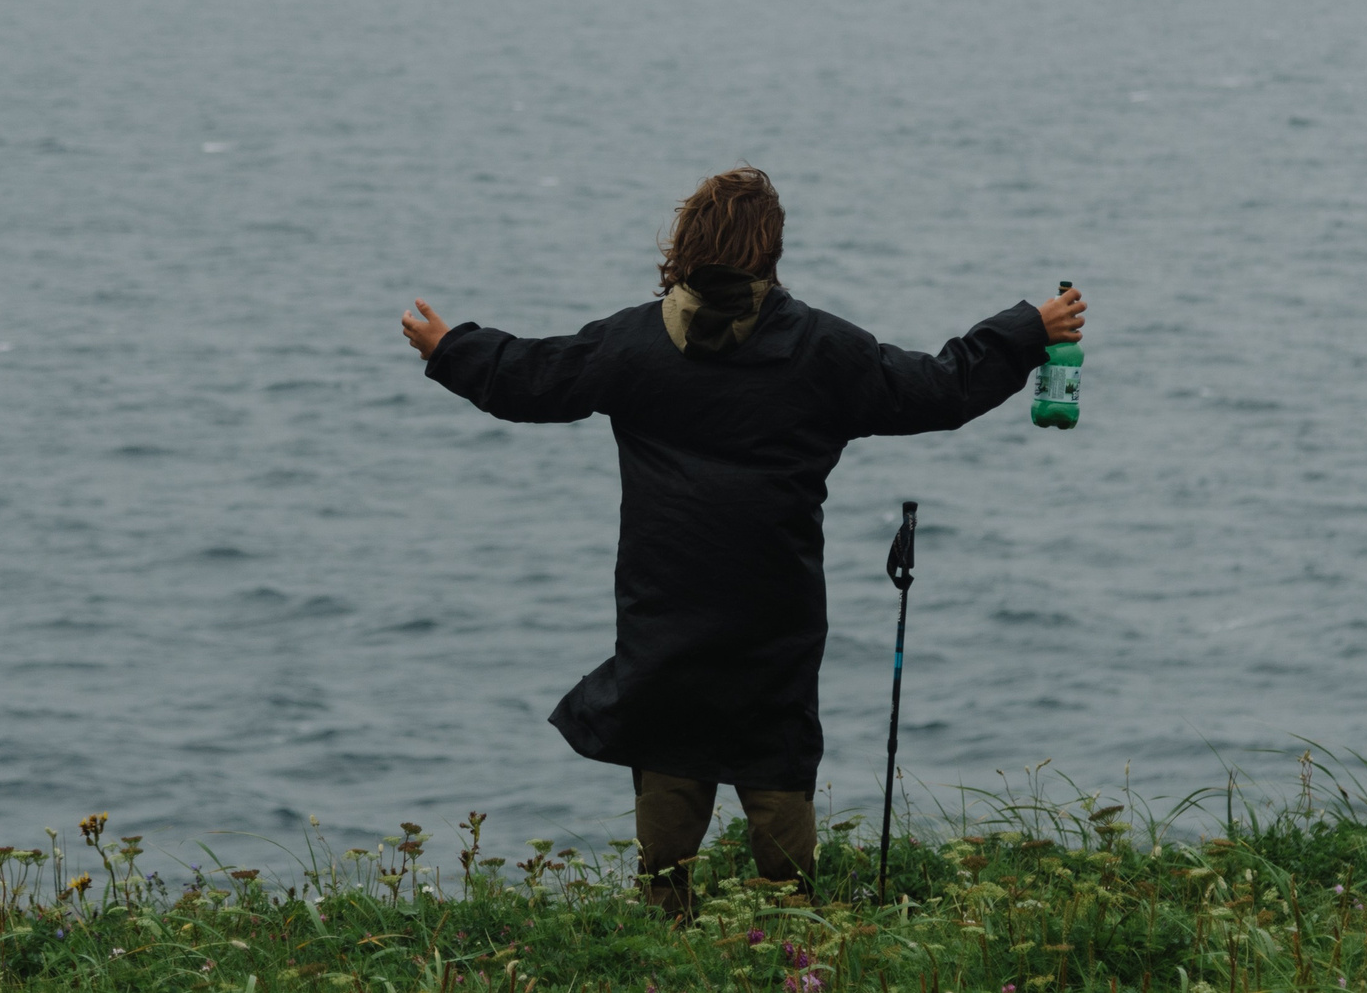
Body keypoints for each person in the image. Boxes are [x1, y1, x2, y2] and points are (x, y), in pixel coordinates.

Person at [398, 165, 1087, 915]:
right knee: (776, 764)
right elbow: (942, 386)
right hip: (774, 611)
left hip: (666, 607)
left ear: (687, 243)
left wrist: (448, 348)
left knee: (668, 755)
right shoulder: (823, 349)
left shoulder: (634, 343)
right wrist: (1029, 329)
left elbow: (532, 377)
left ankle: (666, 930)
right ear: (771, 250)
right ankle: (791, 938)